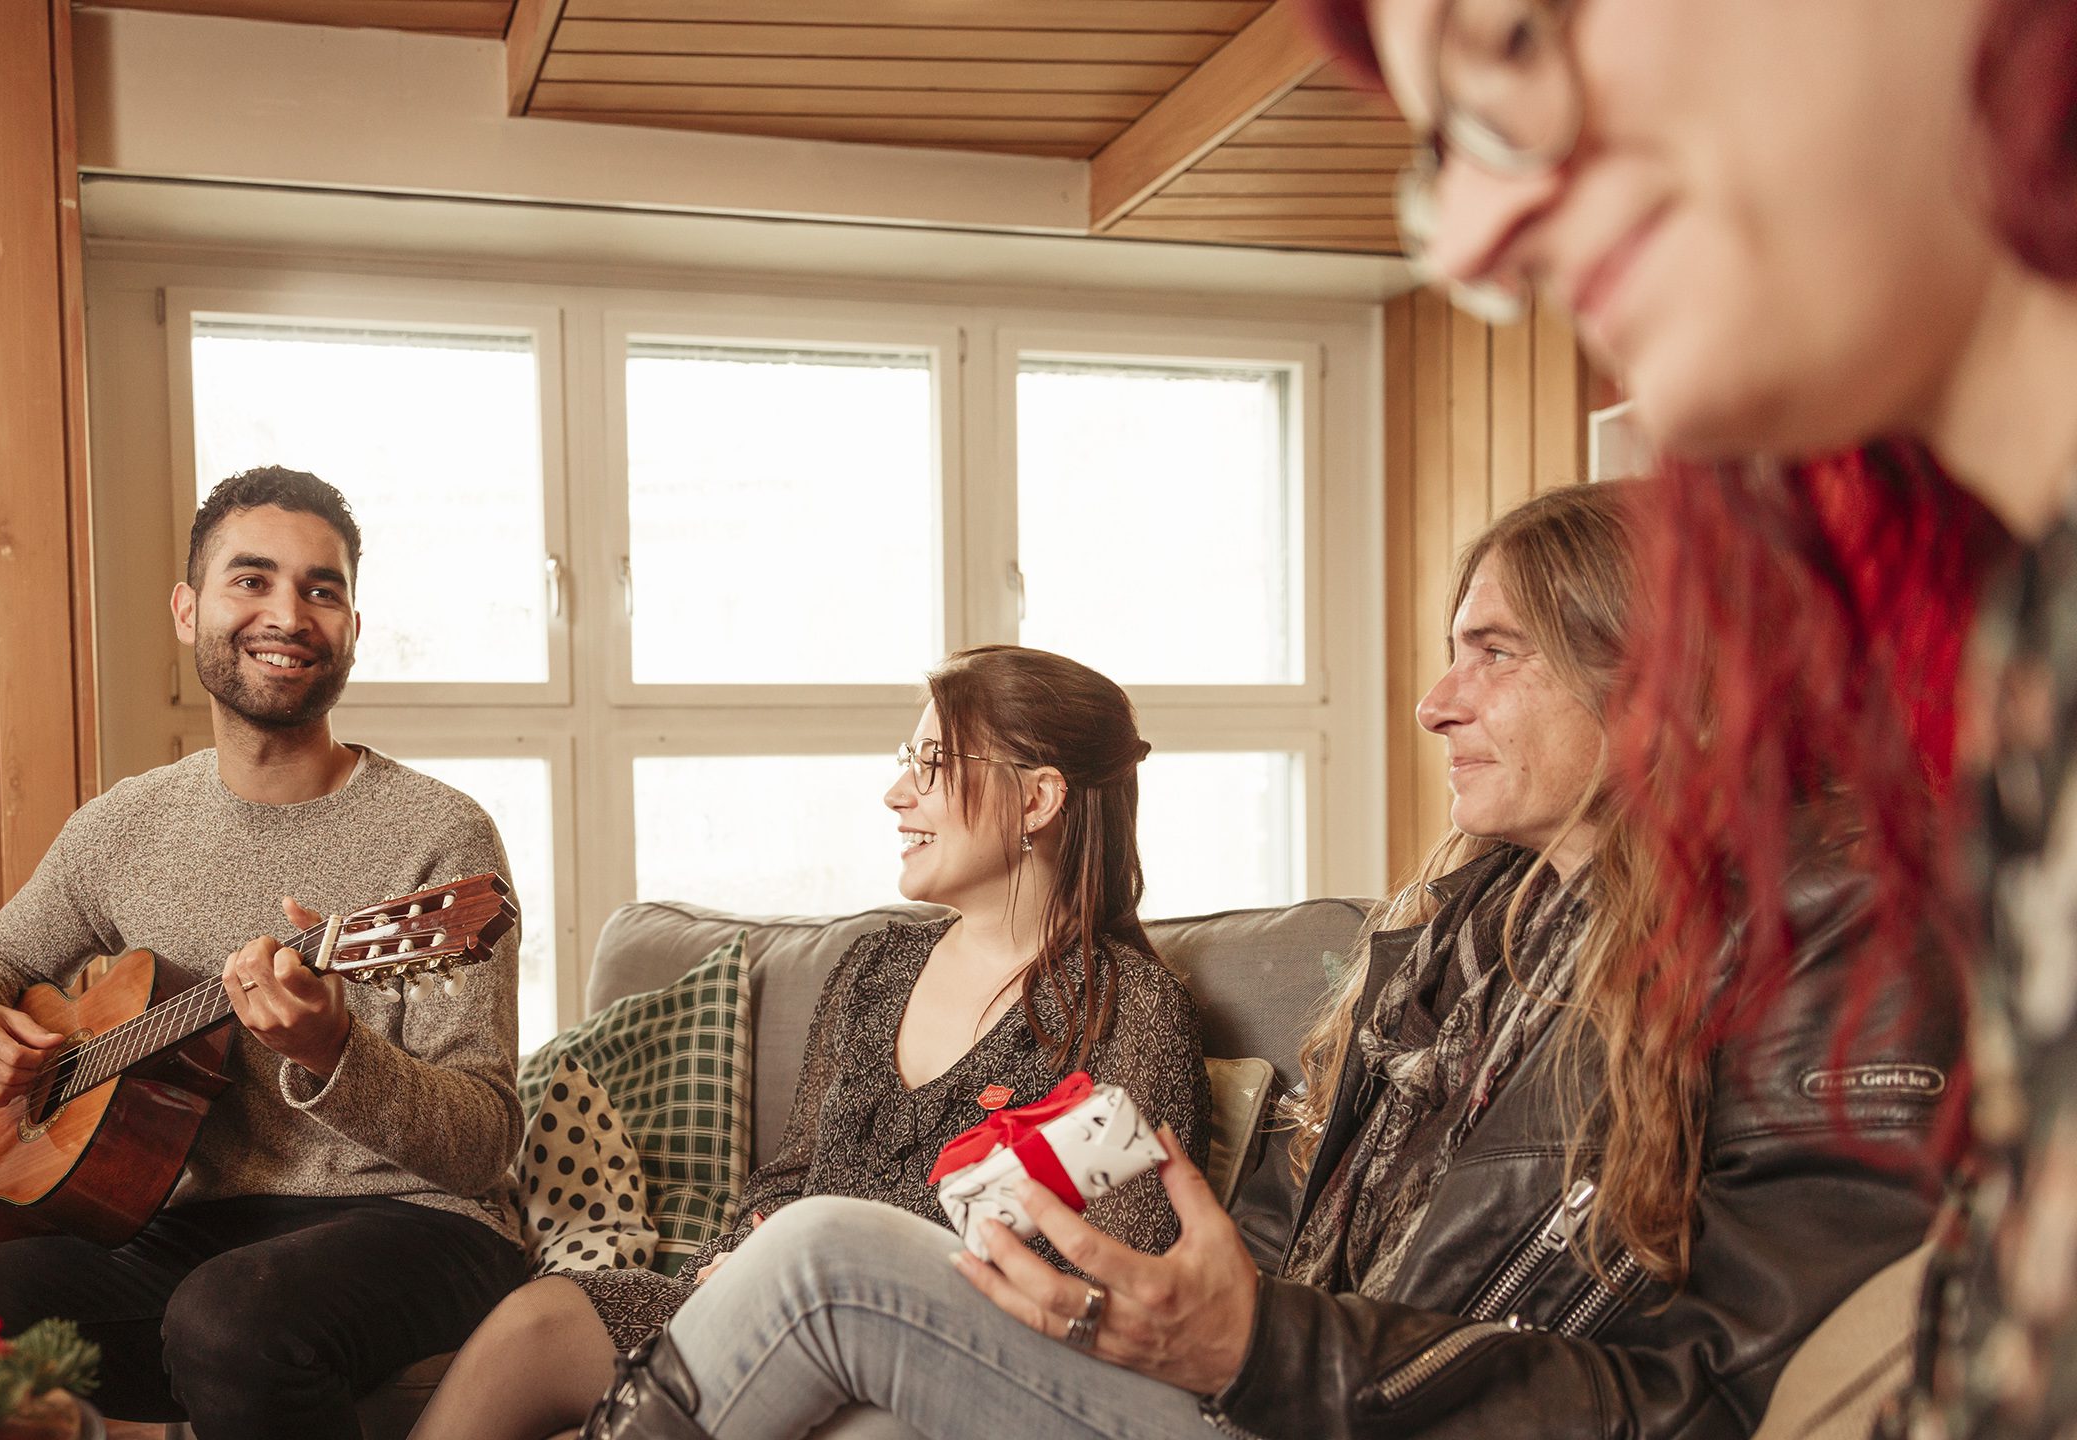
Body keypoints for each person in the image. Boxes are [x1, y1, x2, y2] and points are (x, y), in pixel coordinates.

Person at [583, 483, 1956, 1440]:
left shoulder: (1825, 942)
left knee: (828, 1261)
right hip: (1283, 1400)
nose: (1435, 702)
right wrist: (1153, 1310)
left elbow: (1725, 1400)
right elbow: (1287, 1245)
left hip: (1335, 1411)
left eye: (1494, 655)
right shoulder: (1457, 932)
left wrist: (1256, 1349)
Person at [1310, 0, 2077, 1432]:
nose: (1478, 243)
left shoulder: (1839, 903)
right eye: (1443, 154)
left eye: (1519, 40)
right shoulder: (2026, 678)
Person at [410, 645, 1211, 1440]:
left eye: (932, 763)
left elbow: (1113, 1286)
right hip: (759, 1306)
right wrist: (730, 1267)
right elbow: (789, 1178)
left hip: (931, 1366)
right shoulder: (875, 968)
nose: (897, 793)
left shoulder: (1131, 1011)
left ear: (1038, 799)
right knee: (542, 1321)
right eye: (909, 760)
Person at [0, 466, 530, 1438]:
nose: (288, 613)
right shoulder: (125, 826)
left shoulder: (439, 838)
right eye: (251, 580)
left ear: (351, 626)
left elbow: (483, 1144)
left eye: (323, 589)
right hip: (196, 1231)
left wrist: (332, 1056)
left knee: (229, 1322)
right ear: (189, 610)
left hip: (426, 1224)